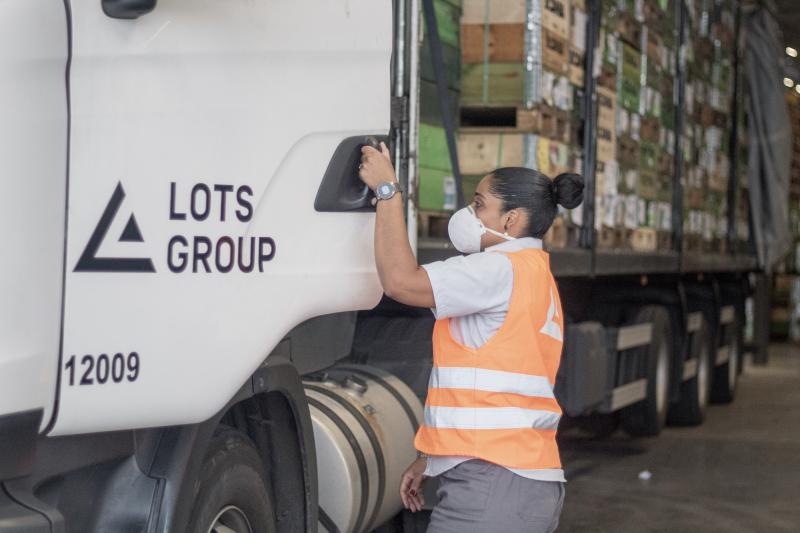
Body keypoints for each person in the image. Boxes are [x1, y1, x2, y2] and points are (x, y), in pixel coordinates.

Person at [358, 142, 584, 532]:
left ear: (511, 221)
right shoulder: (532, 272)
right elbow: (492, 387)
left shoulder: (498, 270)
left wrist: (386, 191)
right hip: (522, 482)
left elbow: (400, 282)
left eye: (479, 205)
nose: (468, 213)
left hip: (493, 486)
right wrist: (432, 460)